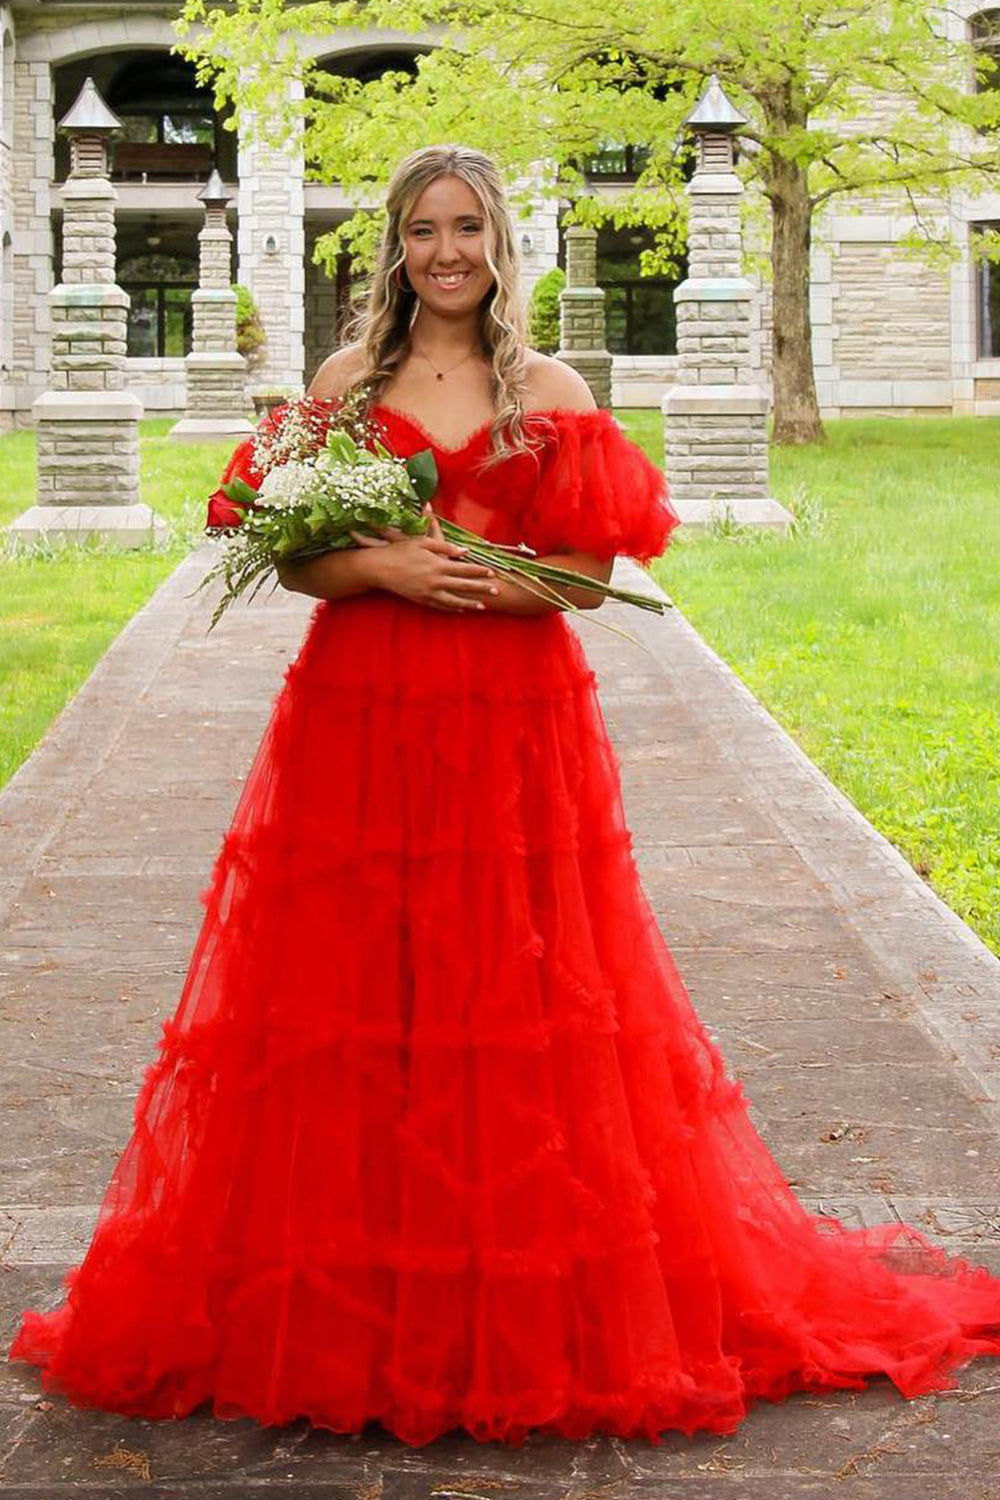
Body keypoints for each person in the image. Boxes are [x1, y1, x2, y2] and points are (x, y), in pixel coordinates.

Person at [9, 143, 1000, 1450]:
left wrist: (481, 582)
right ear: (395, 247)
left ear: (500, 240)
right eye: (423, 229)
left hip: (515, 729)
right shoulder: (343, 385)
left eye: (467, 226)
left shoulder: (547, 391)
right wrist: (387, 575)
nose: (446, 252)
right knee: (355, 991)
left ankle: (513, 1297)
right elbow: (297, 563)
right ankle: (360, 1296)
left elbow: (586, 575)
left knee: (519, 994)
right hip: (358, 717)